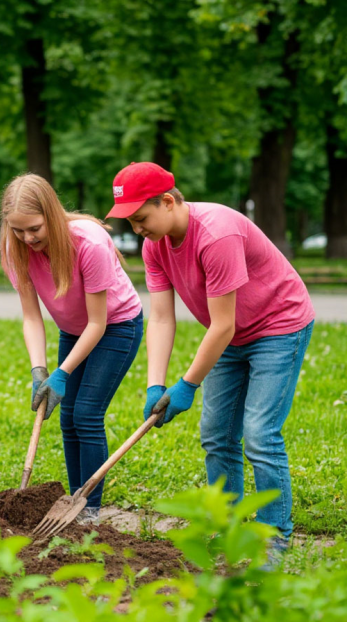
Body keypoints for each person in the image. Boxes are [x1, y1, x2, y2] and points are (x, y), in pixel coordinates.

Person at [107, 161, 315, 556]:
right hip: (231, 336)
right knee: (217, 434)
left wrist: (187, 385)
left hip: (278, 325)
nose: (136, 230)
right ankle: (229, 527)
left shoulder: (216, 234)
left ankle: (275, 536)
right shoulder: (156, 246)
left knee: (259, 434)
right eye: (130, 222)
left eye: (140, 218)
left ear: (167, 201)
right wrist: (155, 382)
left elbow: (222, 326)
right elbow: (163, 316)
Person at [0, 173, 143, 524]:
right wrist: (40, 370)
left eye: (34, 228)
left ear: (51, 213)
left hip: (116, 326)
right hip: (72, 330)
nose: (27, 238)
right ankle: (75, 500)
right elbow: (32, 318)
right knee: (66, 417)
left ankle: (89, 510)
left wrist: (63, 372)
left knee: (87, 414)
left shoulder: (88, 243)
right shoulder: (13, 248)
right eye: (18, 230)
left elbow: (98, 323)